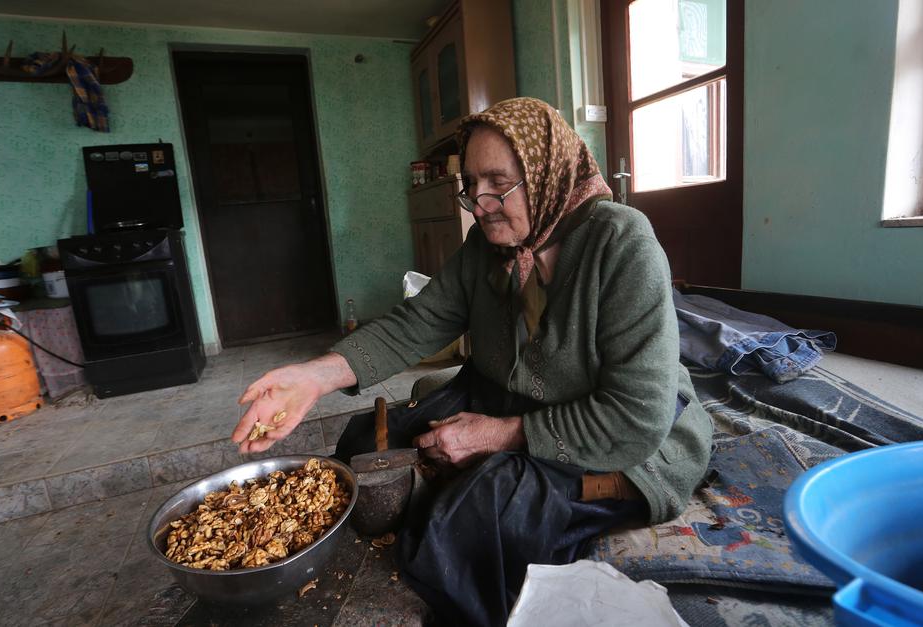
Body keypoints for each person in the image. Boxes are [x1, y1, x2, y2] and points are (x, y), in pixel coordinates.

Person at [232, 97, 713, 626]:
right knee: (363, 446)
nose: (478, 204)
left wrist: (497, 435)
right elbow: (417, 323)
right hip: (505, 394)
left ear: (546, 172)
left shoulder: (620, 241)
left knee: (473, 518)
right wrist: (311, 377)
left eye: (498, 184)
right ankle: (445, 492)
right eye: (470, 185)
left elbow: (635, 416)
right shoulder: (488, 246)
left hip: (621, 438)